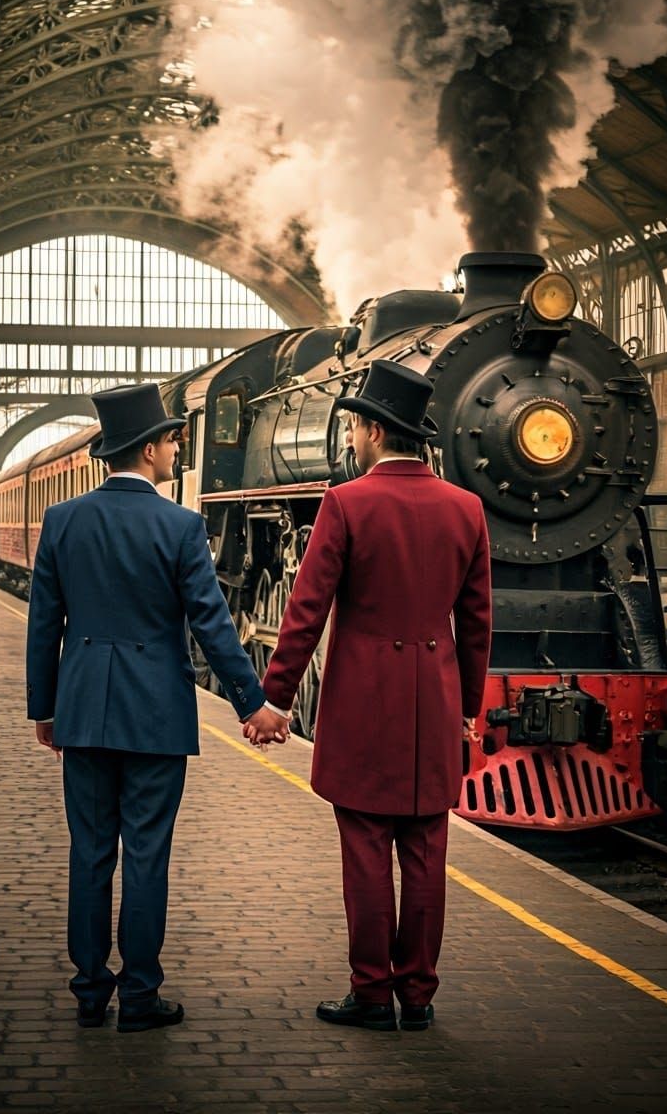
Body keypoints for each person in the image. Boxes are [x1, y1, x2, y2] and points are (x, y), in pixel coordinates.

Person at [26, 382, 288, 1034]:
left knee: (89, 855)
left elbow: (43, 627)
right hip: (155, 717)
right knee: (145, 855)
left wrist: (45, 709)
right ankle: (139, 997)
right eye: (173, 439)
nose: (178, 448)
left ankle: (90, 993)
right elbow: (213, 627)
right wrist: (252, 704)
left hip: (83, 710)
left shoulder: (63, 521)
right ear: (148, 450)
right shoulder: (179, 526)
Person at [248, 359, 492, 1032]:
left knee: (365, 848)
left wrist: (276, 699)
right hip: (435, 707)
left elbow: (305, 612)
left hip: (362, 710)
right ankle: (418, 994)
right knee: (425, 852)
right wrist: (468, 709)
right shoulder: (467, 509)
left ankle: (371, 993)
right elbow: (476, 624)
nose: (351, 438)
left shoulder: (346, 504)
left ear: (377, 432)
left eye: (355, 426)